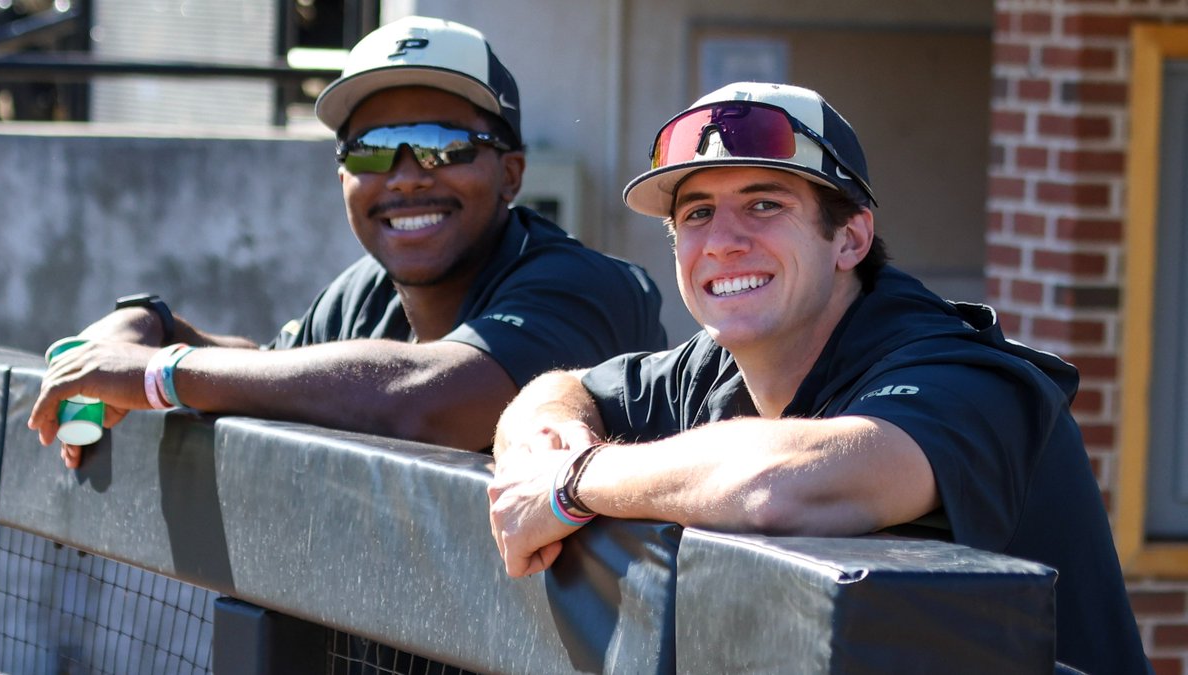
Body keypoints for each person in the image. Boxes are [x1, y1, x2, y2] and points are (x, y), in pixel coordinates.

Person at [488, 82, 1150, 674]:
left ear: (851, 238)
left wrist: (572, 483)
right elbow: (552, 391)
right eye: (696, 214)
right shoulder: (714, 364)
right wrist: (556, 440)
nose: (721, 240)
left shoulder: (961, 372)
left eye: (764, 204)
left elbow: (779, 486)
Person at [27, 15, 665, 467]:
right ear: (342, 176)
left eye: (445, 146)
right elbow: (270, 368)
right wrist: (152, 323)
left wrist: (161, 375)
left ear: (511, 172)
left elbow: (423, 402)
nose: (408, 177)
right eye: (373, 151)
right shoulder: (364, 292)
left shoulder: (585, 288)